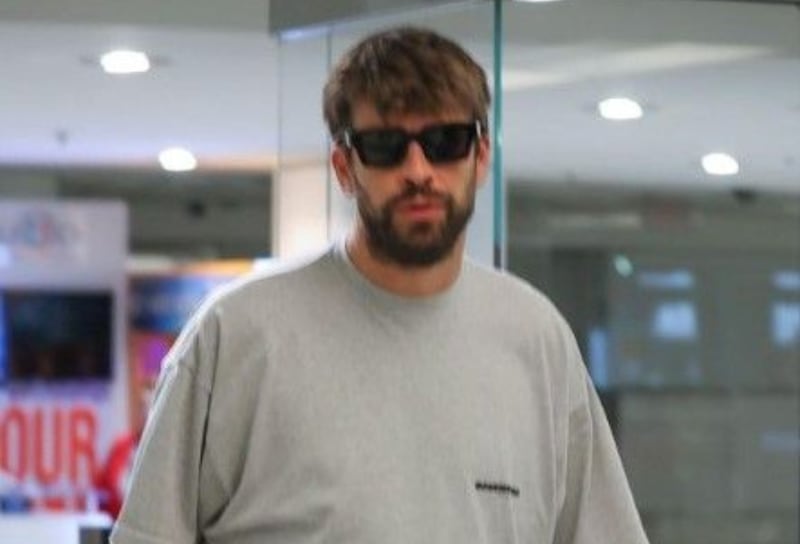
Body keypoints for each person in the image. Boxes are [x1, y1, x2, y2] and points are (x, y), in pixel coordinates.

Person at [111, 26, 650, 544]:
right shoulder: (236, 337)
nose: (419, 170)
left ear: (481, 156)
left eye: (445, 141)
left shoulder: (537, 341)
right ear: (344, 168)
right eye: (386, 147)